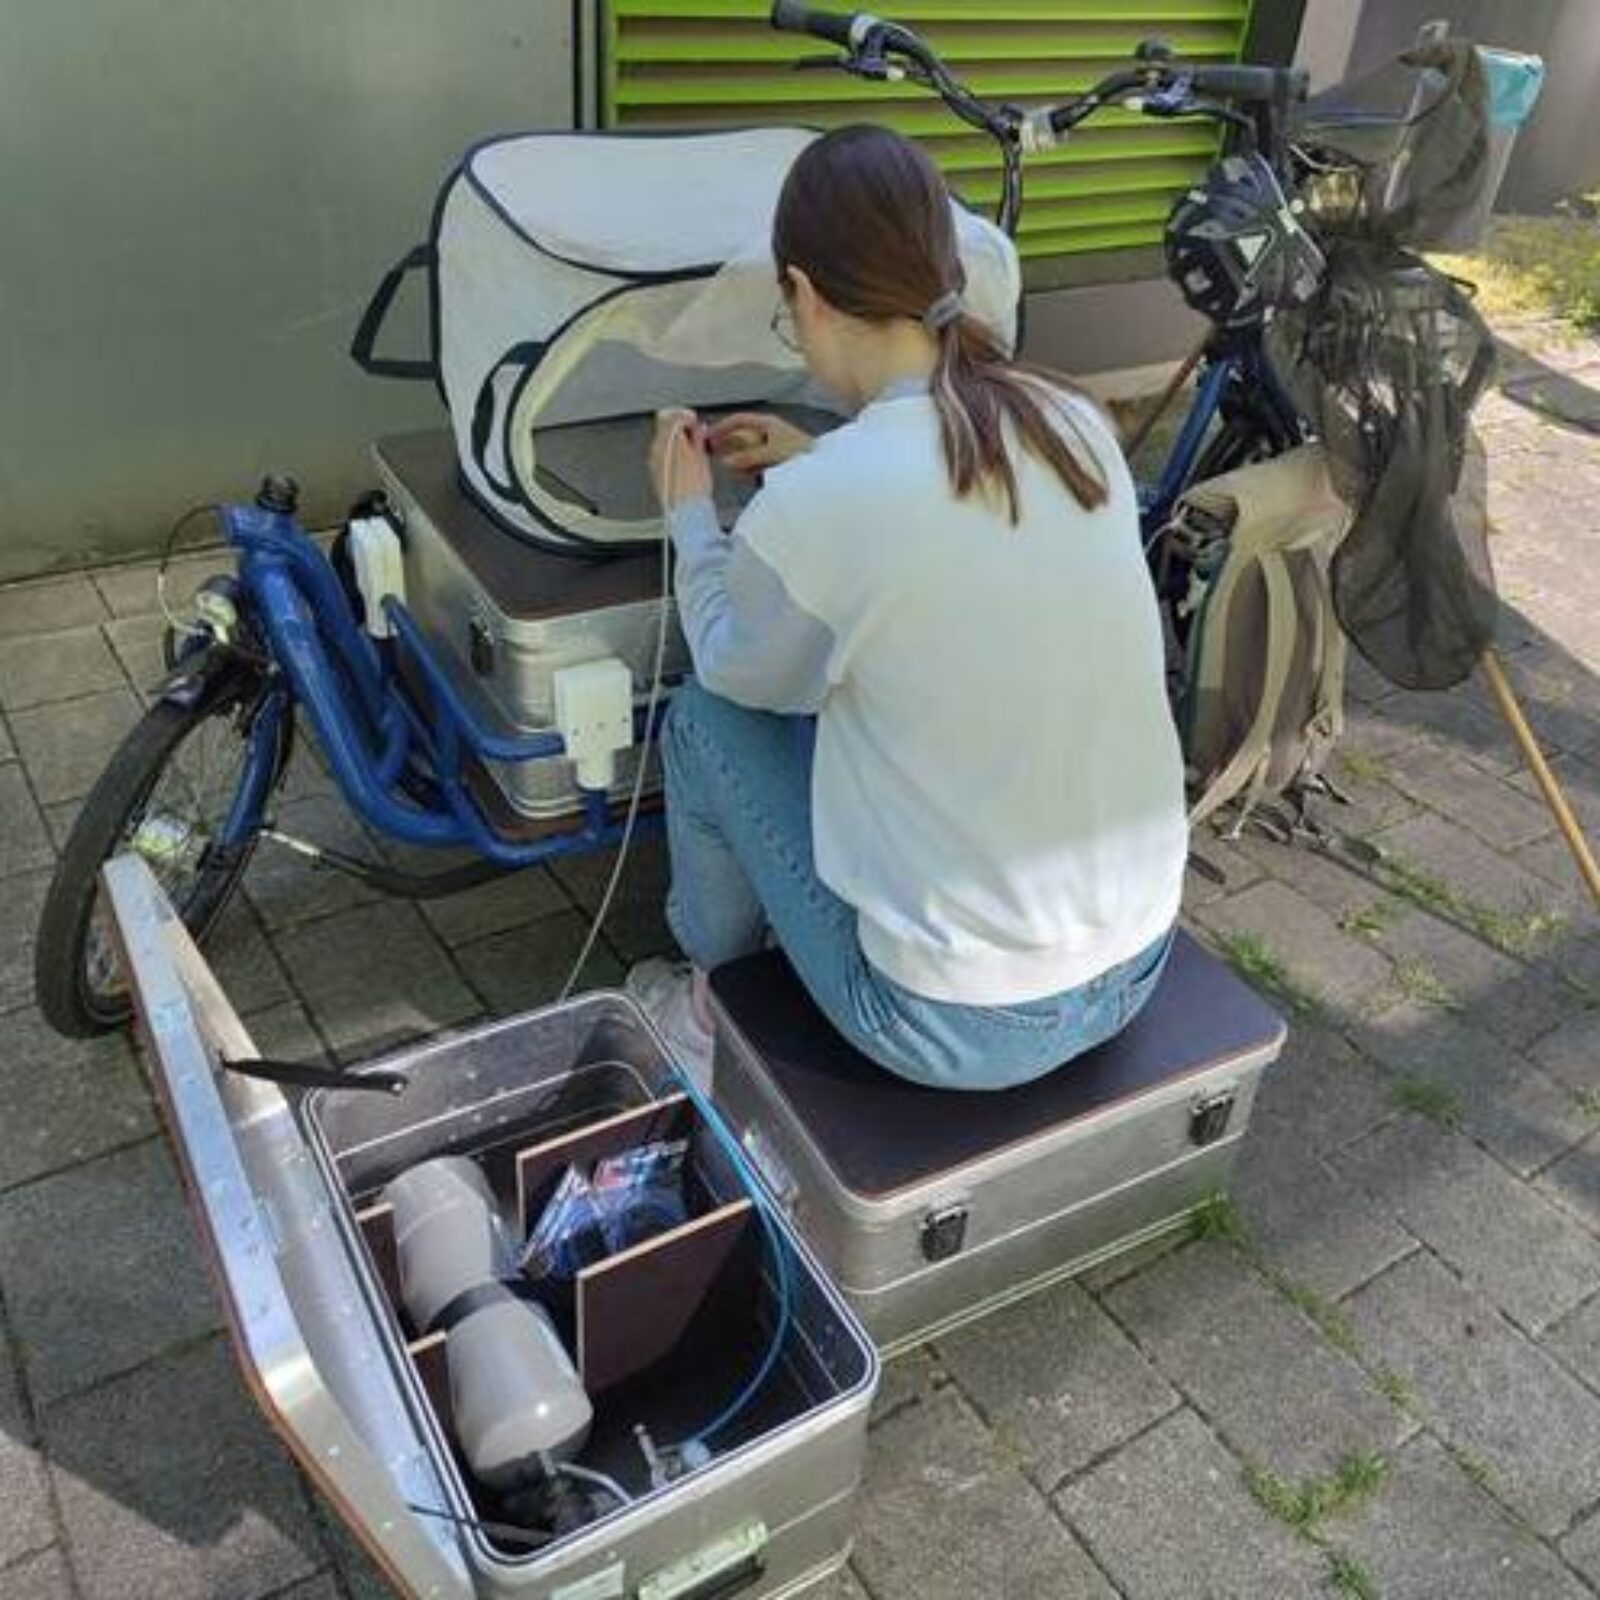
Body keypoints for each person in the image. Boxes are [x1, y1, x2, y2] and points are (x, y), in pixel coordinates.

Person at [628, 124, 1187, 1092]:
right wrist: (815, 456)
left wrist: (688, 514)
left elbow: (735, 663)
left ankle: (711, 1000)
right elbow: (955, 529)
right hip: (1136, 957)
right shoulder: (1071, 420)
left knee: (705, 719)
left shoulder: (827, 503)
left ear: (802, 292)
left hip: (950, 1025)